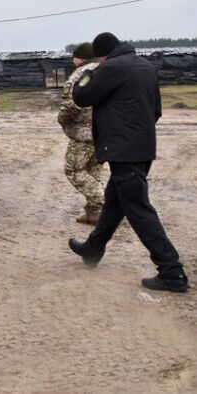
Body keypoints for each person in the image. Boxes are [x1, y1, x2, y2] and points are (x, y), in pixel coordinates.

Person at [68, 33, 189, 292]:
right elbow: (156, 109)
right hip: (142, 146)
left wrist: (84, 75)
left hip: (123, 149)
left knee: (137, 207)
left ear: (102, 55)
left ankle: (171, 271)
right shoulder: (145, 66)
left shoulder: (111, 67)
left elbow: (81, 96)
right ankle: (93, 248)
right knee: (115, 200)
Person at [57, 42, 104, 225]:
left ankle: (107, 202)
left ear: (80, 58)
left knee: (74, 170)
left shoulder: (80, 74)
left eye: (74, 57)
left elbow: (71, 104)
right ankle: (94, 213)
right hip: (103, 131)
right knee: (93, 172)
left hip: (83, 133)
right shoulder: (105, 71)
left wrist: (62, 119)